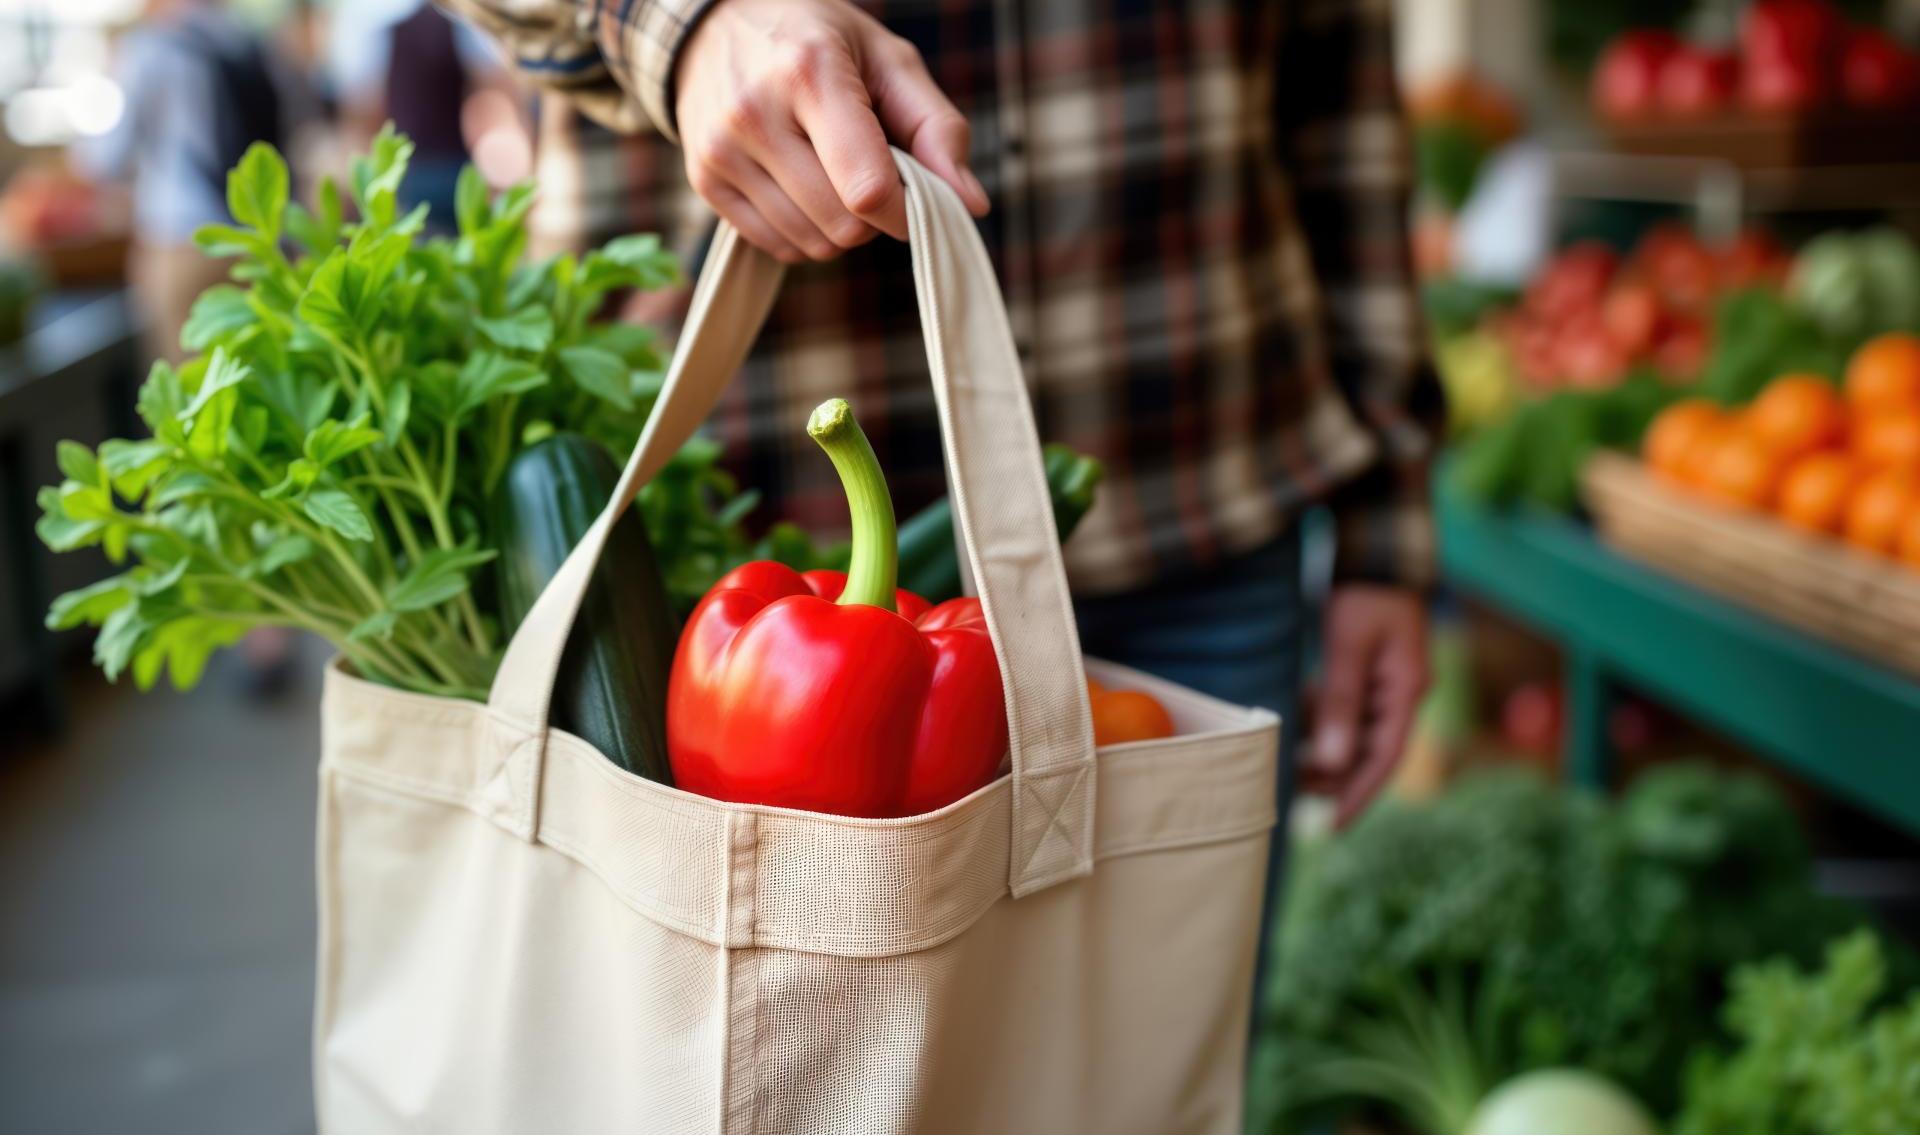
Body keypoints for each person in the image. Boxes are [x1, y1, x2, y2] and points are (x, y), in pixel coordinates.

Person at [446, 0, 1439, 1004]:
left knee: (1142, 1064)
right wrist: (675, 25)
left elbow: (1341, 93)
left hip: (1198, 502)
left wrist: (1386, 525)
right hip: (701, 560)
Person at [77, 0, 289, 362]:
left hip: (178, 238)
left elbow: (104, 160)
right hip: (254, 237)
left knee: (187, 382)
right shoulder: (245, 39)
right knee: (255, 370)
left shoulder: (151, 47)